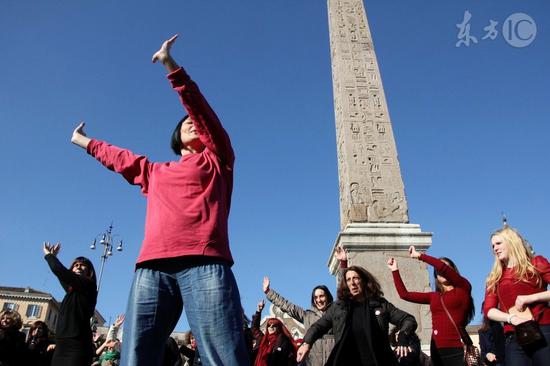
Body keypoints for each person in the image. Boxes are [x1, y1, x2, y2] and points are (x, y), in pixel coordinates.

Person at [70, 34, 249, 366]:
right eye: (186, 124)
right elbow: (119, 158)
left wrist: (171, 67)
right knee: (136, 357)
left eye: (196, 122)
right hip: (152, 268)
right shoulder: (154, 171)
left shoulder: (218, 160)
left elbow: (203, 113)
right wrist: (84, 141)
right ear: (176, 137)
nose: (193, 124)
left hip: (206, 263)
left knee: (223, 358)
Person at [297, 266, 417, 366]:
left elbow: (408, 319)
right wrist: (307, 342)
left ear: (364, 281)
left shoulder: (380, 304)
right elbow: (318, 326)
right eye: (348, 280)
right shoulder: (339, 307)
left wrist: (403, 336)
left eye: (355, 278)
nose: (352, 283)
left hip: (378, 361)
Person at [387, 246, 475, 366]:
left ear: (452, 271)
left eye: (445, 268)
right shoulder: (434, 296)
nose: (441, 270)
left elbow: (442, 267)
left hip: (456, 348)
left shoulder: (463, 288)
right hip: (436, 349)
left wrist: (420, 256)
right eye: (437, 270)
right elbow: (404, 295)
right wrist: (394, 270)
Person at [262, 246, 347, 366]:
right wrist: (269, 293)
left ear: (328, 296)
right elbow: (287, 306)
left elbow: (343, 290)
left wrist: (343, 263)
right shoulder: (307, 315)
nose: (319, 300)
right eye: (315, 297)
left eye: (321, 296)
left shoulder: (335, 310)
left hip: (335, 360)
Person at [483, 226, 550, 365]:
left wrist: (530, 298)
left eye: (499, 243)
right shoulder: (494, 277)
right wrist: (510, 318)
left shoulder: (536, 263)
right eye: (493, 246)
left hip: (543, 330)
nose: (495, 248)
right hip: (514, 336)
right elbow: (489, 310)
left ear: (511, 241)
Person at [43, 242, 98, 366]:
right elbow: (62, 276)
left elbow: (60, 271)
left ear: (89, 272)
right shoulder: (71, 290)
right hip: (62, 344)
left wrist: (48, 256)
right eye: (76, 265)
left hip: (77, 345)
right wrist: (54, 257)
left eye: (83, 266)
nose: (78, 267)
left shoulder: (88, 285)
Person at [252, 300, 297, 366]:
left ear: (279, 327)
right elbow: (254, 328)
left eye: (274, 325)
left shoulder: (283, 341)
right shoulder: (262, 339)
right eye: (269, 325)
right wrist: (258, 311)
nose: (271, 327)